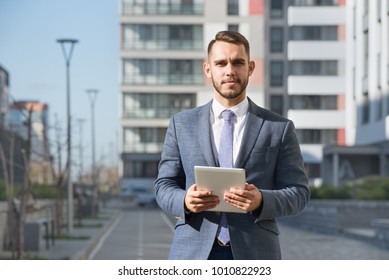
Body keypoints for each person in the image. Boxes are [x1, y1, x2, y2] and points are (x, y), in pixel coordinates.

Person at [154, 30, 310, 260]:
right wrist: (185, 201)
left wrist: (261, 200)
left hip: (256, 253)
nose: (230, 71)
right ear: (208, 69)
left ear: (251, 68)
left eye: (238, 62)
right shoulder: (181, 124)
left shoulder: (279, 127)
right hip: (192, 253)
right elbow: (163, 186)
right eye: (221, 63)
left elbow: (299, 193)